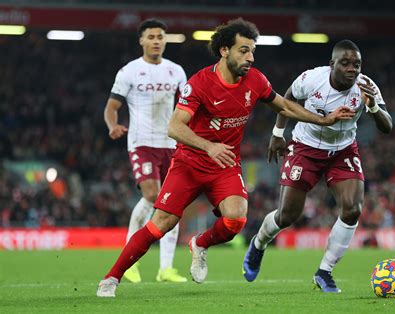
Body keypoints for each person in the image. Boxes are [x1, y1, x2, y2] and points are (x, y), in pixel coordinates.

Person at [97, 18, 355, 297]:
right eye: (243, 51)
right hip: (189, 163)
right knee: (162, 224)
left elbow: (284, 105)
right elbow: (174, 127)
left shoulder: (255, 79)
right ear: (224, 51)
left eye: (252, 51)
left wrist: (323, 120)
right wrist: (208, 146)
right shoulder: (200, 82)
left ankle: (201, 244)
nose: (250, 57)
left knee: (236, 220)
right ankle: (111, 278)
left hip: (225, 165)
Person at [242, 39, 393, 292]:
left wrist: (373, 106)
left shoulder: (366, 87)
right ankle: (258, 243)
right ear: (331, 64)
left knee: (352, 209)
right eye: (345, 63)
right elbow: (286, 98)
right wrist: (278, 133)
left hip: (342, 150)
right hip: (305, 147)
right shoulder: (312, 79)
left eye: (356, 64)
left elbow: (387, 126)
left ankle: (324, 272)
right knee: (286, 216)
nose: (352, 69)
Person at [103, 18, 187, 284]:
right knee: (153, 195)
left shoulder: (176, 71)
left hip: (171, 143)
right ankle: (129, 261)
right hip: (142, 142)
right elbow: (111, 107)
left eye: (160, 36)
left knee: (172, 203)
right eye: (151, 37)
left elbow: (187, 107)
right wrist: (113, 125)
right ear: (141, 40)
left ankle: (166, 269)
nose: (156, 41)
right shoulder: (129, 71)